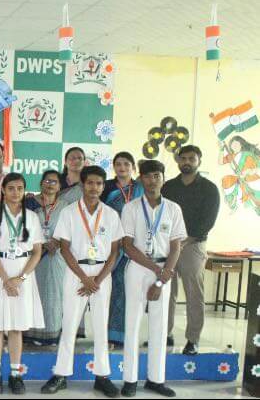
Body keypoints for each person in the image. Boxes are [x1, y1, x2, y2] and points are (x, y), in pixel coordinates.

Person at [41, 166, 123, 397]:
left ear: (103, 186)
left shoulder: (111, 214)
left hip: (101, 275)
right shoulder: (69, 212)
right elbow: (64, 248)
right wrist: (84, 278)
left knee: (100, 325)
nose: (94, 187)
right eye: (90, 183)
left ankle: (102, 376)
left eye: (99, 183)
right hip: (76, 273)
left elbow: (115, 251)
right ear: (83, 185)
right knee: (69, 325)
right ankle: (61, 374)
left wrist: (97, 279)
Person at [121, 159, 187, 398]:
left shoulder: (173, 208)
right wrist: (156, 271)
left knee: (159, 327)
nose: (152, 180)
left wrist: (163, 275)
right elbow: (127, 245)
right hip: (138, 268)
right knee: (133, 324)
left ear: (163, 179)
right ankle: (130, 380)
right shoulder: (131, 208)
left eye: (156, 176)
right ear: (141, 179)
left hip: (164, 269)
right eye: (147, 176)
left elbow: (176, 246)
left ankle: (156, 379)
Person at [0, 173, 45, 395]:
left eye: (19, 188)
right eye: (11, 188)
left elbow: (37, 252)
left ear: (24, 191)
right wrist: (6, 279)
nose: (15, 192)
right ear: (3, 190)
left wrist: (20, 278)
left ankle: (16, 374)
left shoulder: (32, 217)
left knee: (17, 327)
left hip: (22, 274)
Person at [162, 145, 219, 355]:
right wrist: (170, 241)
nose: (187, 162)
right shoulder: (168, 187)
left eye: (191, 158)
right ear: (178, 161)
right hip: (168, 245)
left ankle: (193, 339)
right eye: (183, 158)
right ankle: (164, 333)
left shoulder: (209, 189)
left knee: (194, 293)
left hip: (193, 246)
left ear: (199, 161)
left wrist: (185, 240)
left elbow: (208, 221)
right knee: (166, 292)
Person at [101, 152, 145, 347]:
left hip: (135, 246)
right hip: (111, 245)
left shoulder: (141, 188)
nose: (122, 168)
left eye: (126, 164)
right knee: (112, 291)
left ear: (133, 167)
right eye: (118, 164)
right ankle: (108, 335)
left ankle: (125, 335)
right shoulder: (107, 187)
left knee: (129, 292)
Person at [25, 170, 67, 346]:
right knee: (33, 294)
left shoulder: (66, 206)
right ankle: (30, 333)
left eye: (54, 182)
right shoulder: (28, 203)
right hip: (34, 256)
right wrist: (41, 244)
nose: (50, 184)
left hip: (57, 256)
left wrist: (57, 242)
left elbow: (71, 229)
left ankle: (51, 334)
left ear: (60, 186)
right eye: (47, 181)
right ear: (41, 183)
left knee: (53, 295)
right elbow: (22, 227)